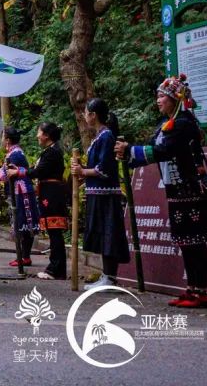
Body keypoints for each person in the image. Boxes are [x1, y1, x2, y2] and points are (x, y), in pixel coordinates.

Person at [116, 75, 207, 308]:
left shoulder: (183, 123)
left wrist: (130, 149)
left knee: (194, 240)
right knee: (185, 240)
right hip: (177, 192)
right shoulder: (167, 125)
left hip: (190, 189)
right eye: (158, 96)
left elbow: (164, 150)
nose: (158, 101)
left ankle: (200, 291)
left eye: (162, 96)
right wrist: (127, 155)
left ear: (175, 99)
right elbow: (154, 149)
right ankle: (192, 289)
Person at [71, 98, 129, 289]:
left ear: (93, 115)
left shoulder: (106, 137)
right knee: (104, 234)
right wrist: (82, 174)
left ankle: (110, 277)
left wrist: (83, 172)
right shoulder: (100, 137)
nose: (84, 116)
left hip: (106, 196)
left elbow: (104, 169)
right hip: (98, 194)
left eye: (86, 112)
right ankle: (107, 275)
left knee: (109, 234)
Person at [28, 122, 68, 281]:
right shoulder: (50, 151)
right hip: (49, 194)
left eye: (39, 132)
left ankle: (55, 269)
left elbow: (39, 171)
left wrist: (21, 172)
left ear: (46, 135)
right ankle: (57, 268)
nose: (37, 135)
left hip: (52, 195)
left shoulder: (52, 153)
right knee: (53, 232)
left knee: (55, 231)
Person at [0, 126, 41, 268]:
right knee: (22, 224)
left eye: (3, 137)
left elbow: (4, 175)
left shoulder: (14, 155)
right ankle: (24, 256)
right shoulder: (14, 153)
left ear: (8, 140)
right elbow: (3, 172)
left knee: (23, 224)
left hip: (21, 193)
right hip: (21, 192)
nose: (2, 140)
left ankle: (25, 257)